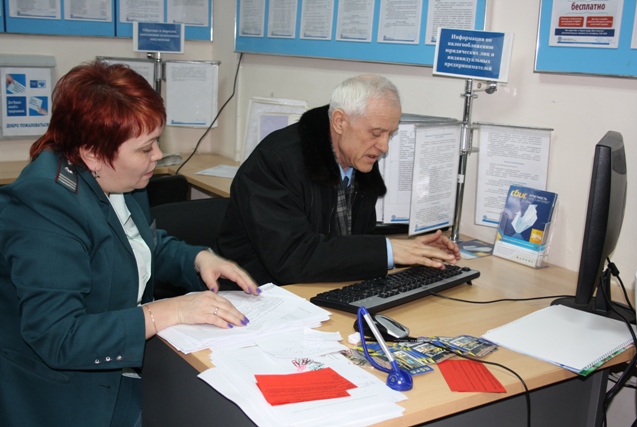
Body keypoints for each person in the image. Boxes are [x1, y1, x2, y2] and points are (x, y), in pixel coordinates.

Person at [0, 61, 260, 427]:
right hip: (65, 396)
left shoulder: (120, 179)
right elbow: (58, 337)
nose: (158, 156)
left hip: (125, 369)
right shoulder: (44, 206)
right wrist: (167, 312)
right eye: (145, 148)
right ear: (93, 153)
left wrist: (198, 258)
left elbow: (137, 245)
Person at [215, 74, 460, 286]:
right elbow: (292, 258)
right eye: (376, 133)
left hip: (319, 286)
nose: (384, 146)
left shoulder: (359, 158)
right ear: (340, 121)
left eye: (390, 134)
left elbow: (351, 242)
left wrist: (412, 250)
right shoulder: (274, 161)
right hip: (255, 293)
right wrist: (388, 250)